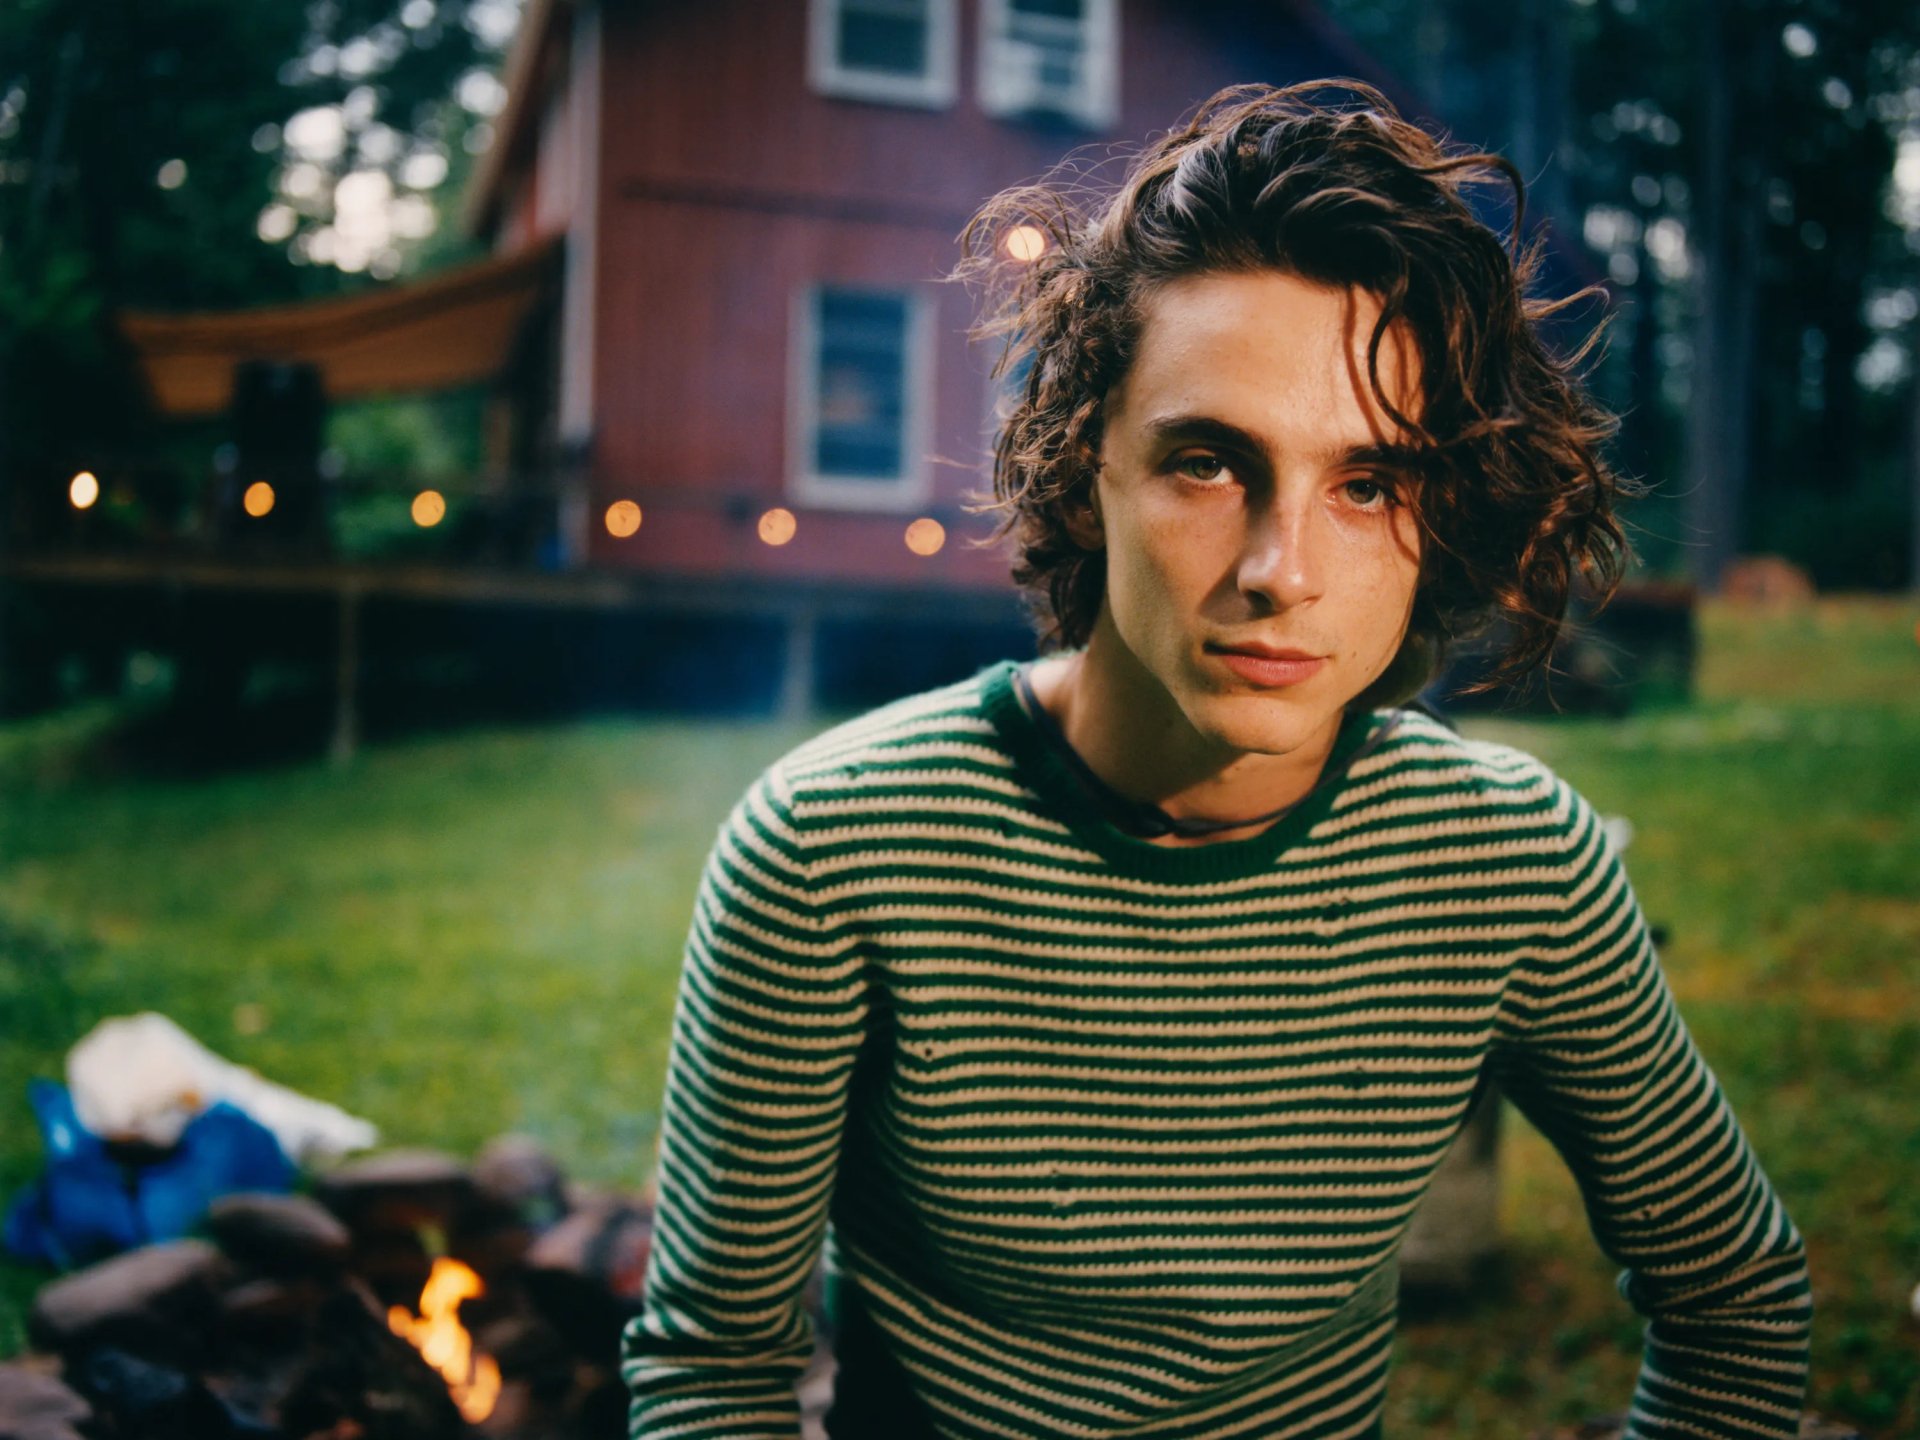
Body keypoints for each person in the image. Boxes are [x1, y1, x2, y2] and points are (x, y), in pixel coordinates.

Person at [622, 81, 1812, 1440]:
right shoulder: (832, 849)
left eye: (1369, 485)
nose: (1281, 571)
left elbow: (1736, 1297)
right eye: (1207, 462)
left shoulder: (1510, 860)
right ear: (1084, 471)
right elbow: (714, 1369)